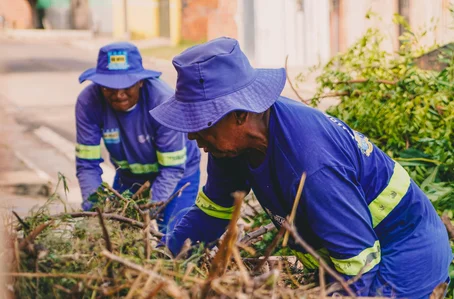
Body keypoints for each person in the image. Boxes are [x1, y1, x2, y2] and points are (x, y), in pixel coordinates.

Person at [149, 37, 452, 297]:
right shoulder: (230, 145)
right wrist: (161, 260)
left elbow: (358, 267)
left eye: (199, 122)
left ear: (239, 114)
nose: (191, 134)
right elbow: (211, 214)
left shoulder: (311, 163)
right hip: (352, 253)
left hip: (406, 252)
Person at [75, 42, 201, 234]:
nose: (118, 95)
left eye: (126, 86)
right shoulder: (88, 102)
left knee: (172, 237)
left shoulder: (162, 102)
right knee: (117, 233)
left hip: (178, 174)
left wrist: (146, 213)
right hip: (129, 177)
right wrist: (95, 211)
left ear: (141, 81)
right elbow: (87, 164)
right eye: (108, 88)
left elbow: (172, 168)